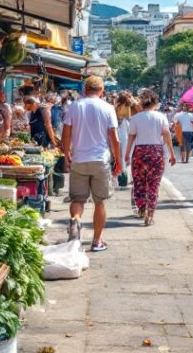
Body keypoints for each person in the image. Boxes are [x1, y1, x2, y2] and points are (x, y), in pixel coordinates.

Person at [62, 76, 121, 252]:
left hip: (79, 159)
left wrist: (66, 154)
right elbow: (115, 139)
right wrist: (118, 160)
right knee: (100, 202)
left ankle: (76, 222)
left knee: (77, 199)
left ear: (85, 90)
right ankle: (97, 241)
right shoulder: (108, 108)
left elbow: (66, 134)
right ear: (102, 91)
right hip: (100, 160)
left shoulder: (75, 106)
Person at [125, 89, 175, 226]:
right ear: (156, 102)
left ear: (141, 103)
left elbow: (131, 137)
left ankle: (141, 208)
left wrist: (127, 154)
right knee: (154, 184)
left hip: (140, 152)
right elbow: (167, 135)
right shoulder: (161, 117)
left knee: (139, 182)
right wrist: (171, 153)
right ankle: (150, 214)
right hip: (156, 152)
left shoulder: (135, 118)